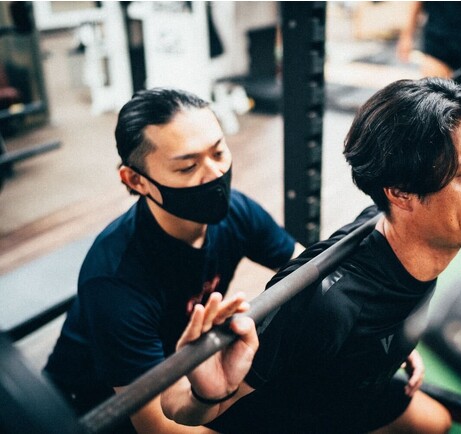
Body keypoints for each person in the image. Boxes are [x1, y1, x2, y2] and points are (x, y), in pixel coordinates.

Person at [160, 77, 461, 433]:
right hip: (295, 422)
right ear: (401, 194)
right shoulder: (326, 304)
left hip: (352, 392)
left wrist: (392, 347)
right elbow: (180, 408)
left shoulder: (394, 225)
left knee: (435, 423)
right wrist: (204, 396)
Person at [43, 87, 301, 433]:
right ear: (136, 180)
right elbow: (156, 427)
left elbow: (307, 270)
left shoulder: (236, 212)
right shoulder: (115, 281)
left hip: (178, 370)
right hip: (90, 408)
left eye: (218, 152)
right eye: (188, 166)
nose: (214, 174)